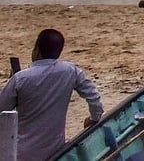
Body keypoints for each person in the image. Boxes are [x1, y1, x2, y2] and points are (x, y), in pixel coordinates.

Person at [0, 29, 104, 161]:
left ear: (36, 50)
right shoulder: (70, 71)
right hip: (55, 151)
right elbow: (94, 97)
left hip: (22, 153)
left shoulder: (20, 78)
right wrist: (94, 117)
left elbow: (2, 110)